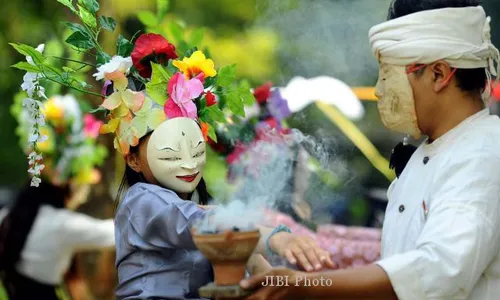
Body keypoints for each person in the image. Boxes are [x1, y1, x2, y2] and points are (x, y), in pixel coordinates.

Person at [239, 0, 500, 299]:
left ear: (439, 74)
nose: (378, 89)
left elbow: (437, 268)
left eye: (388, 73)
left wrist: (308, 285)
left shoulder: (483, 155)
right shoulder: (433, 151)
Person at [0, 94, 115, 300]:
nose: (86, 187)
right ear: (68, 181)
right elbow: (118, 234)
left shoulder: (9, 216)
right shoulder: (61, 225)